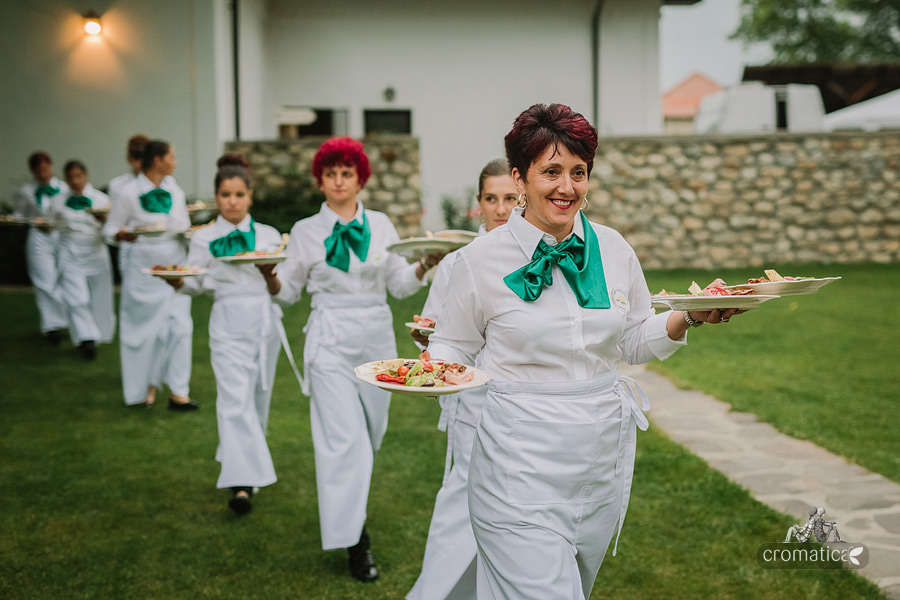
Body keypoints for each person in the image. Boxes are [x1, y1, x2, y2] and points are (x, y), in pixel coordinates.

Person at [423, 104, 741, 600]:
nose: (566, 187)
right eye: (550, 171)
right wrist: (435, 370)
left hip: (599, 468)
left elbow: (632, 338)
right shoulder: (477, 261)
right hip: (516, 469)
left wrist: (690, 314)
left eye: (578, 172)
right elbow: (452, 344)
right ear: (518, 178)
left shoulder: (614, 249)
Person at [260, 136, 442, 582]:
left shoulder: (380, 225)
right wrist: (269, 279)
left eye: (347, 173)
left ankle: (350, 517)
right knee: (344, 443)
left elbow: (399, 285)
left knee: (371, 436)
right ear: (320, 180)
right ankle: (355, 541)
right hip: (329, 341)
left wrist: (424, 265)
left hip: (376, 339)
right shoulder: (305, 231)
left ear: (360, 178)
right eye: (330, 174)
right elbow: (292, 293)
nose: (339, 181)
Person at [407, 158, 518, 600]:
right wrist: (425, 338)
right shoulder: (456, 262)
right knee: (461, 504)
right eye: (491, 199)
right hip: (472, 401)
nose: (501, 208)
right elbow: (436, 329)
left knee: (512, 515)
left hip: (523, 402)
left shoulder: (541, 255)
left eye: (509, 198)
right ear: (478, 205)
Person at [165, 154, 284, 513]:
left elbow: (280, 282)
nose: (232, 201)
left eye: (239, 194)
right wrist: (178, 284)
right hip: (227, 324)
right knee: (234, 401)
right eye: (225, 194)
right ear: (217, 197)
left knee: (257, 399)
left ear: (250, 196)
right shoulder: (203, 238)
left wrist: (270, 274)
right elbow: (198, 283)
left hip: (264, 323)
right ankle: (242, 483)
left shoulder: (268, 235)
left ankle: (242, 460)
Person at [102, 139, 196, 410]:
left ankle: (179, 393)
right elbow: (110, 230)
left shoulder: (174, 189)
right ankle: (144, 390)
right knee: (145, 333)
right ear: (158, 160)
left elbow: (182, 225)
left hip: (176, 265)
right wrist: (124, 234)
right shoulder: (128, 192)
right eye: (172, 157)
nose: (175, 163)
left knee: (181, 328)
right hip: (143, 268)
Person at [46, 160, 115, 359]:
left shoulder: (101, 199)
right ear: (66, 179)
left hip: (95, 250)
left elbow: (112, 230)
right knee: (77, 298)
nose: (75, 181)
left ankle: (101, 332)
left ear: (86, 176)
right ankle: (87, 339)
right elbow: (51, 223)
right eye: (71, 177)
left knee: (100, 294)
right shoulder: (58, 200)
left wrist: (104, 221)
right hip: (70, 251)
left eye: (79, 176)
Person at [13, 152, 69, 344]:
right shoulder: (27, 191)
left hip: (60, 235)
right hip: (38, 238)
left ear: (51, 167)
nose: (43, 174)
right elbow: (19, 217)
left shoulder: (64, 188)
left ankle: (66, 319)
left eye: (45, 169)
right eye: (38, 171)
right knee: (44, 281)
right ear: (33, 172)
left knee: (63, 278)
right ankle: (51, 326)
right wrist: (27, 220)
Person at [107, 134, 151, 275]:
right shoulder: (117, 185)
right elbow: (115, 220)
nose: (140, 163)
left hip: (155, 245)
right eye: (137, 157)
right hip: (130, 245)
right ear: (129, 158)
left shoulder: (164, 184)